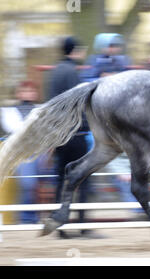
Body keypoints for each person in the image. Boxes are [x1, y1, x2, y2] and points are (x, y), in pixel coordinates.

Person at [48, 36, 100, 239]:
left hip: (60, 135)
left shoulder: (55, 72)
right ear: (75, 51)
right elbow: (77, 103)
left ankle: (59, 227)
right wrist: (88, 126)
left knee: (61, 180)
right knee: (83, 179)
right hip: (75, 134)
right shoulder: (71, 72)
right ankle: (83, 226)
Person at [0, 81, 43, 224]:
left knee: (35, 184)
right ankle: (26, 218)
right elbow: (15, 128)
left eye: (31, 90)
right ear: (18, 93)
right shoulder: (9, 111)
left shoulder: (41, 108)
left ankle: (32, 216)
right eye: (25, 90)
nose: (28, 93)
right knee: (28, 184)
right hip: (22, 152)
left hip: (40, 151)